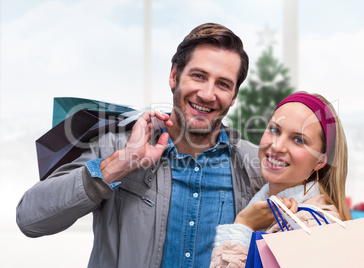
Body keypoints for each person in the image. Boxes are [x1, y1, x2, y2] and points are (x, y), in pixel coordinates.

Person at [16, 23, 266, 267]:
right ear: (174, 76)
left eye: (223, 84)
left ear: (233, 97)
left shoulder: (255, 166)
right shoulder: (117, 146)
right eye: (198, 76)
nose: (208, 94)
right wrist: (119, 164)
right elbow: (30, 219)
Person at [210, 91, 352, 267]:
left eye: (298, 140)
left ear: (321, 161)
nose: (277, 146)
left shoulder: (311, 225)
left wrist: (243, 226)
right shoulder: (264, 205)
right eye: (274, 130)